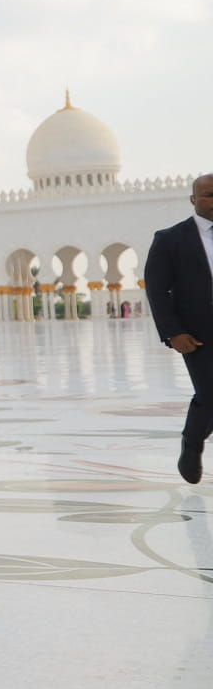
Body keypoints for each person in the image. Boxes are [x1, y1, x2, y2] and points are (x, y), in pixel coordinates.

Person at [146, 173, 213, 484]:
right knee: (210, 394)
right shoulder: (170, 239)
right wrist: (172, 332)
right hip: (198, 334)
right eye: (209, 195)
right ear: (193, 199)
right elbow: (157, 289)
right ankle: (192, 443)